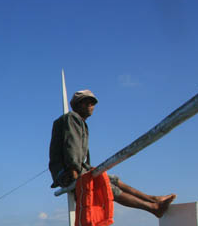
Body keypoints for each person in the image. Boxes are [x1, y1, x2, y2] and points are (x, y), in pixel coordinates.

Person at [49, 90, 176, 218]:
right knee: (106, 186)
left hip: (77, 168)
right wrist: (74, 170)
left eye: (92, 103)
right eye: (85, 102)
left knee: (113, 179)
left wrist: (85, 170)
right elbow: (72, 145)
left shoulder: (80, 122)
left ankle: (152, 199)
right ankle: (153, 208)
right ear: (76, 105)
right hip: (67, 172)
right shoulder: (72, 118)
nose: (89, 105)